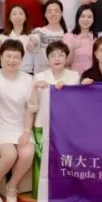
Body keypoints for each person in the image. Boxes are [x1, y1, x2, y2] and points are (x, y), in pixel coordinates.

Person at [0, 40, 37, 202]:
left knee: (27, 153)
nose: (11, 60)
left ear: (21, 60)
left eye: (16, 56)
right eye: (8, 56)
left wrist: (26, 131)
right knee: (10, 154)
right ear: (1, 57)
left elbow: (30, 108)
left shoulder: (28, 79)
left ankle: (12, 186)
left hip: (20, 126)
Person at [32, 41, 80, 188]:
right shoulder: (39, 76)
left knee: (65, 160)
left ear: (66, 58)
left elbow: (76, 104)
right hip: (43, 124)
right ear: (47, 59)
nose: (57, 58)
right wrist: (35, 87)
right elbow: (33, 106)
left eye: (61, 55)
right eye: (52, 55)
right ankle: (42, 192)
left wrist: (66, 90)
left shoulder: (74, 76)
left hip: (66, 128)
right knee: (43, 160)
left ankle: (66, 189)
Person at [28, 0, 67, 74]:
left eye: (56, 11)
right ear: (45, 14)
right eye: (49, 11)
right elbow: (35, 39)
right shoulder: (40, 31)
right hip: (42, 76)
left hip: (61, 75)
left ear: (61, 13)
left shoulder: (67, 33)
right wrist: (32, 42)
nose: (53, 14)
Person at [63, 5, 96, 74]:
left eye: (89, 17)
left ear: (93, 20)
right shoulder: (69, 36)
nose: (86, 20)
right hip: (74, 77)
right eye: (82, 16)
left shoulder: (96, 38)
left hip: (92, 76)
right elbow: (66, 62)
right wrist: (72, 47)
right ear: (77, 18)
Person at [2, 5, 34, 74]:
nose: (18, 16)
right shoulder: (2, 37)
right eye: (14, 14)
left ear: (25, 17)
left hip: (27, 72)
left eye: (21, 14)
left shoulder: (33, 35)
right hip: (8, 72)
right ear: (9, 18)